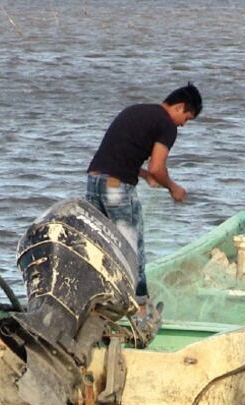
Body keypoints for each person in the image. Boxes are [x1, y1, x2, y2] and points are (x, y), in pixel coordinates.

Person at [85, 82, 202, 317]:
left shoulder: (135, 110)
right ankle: (139, 309)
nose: (183, 124)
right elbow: (158, 167)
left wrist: (145, 175)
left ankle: (99, 305)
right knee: (132, 247)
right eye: (186, 118)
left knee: (101, 246)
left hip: (93, 181)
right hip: (117, 189)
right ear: (179, 107)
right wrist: (173, 187)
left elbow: (117, 156)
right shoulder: (167, 125)